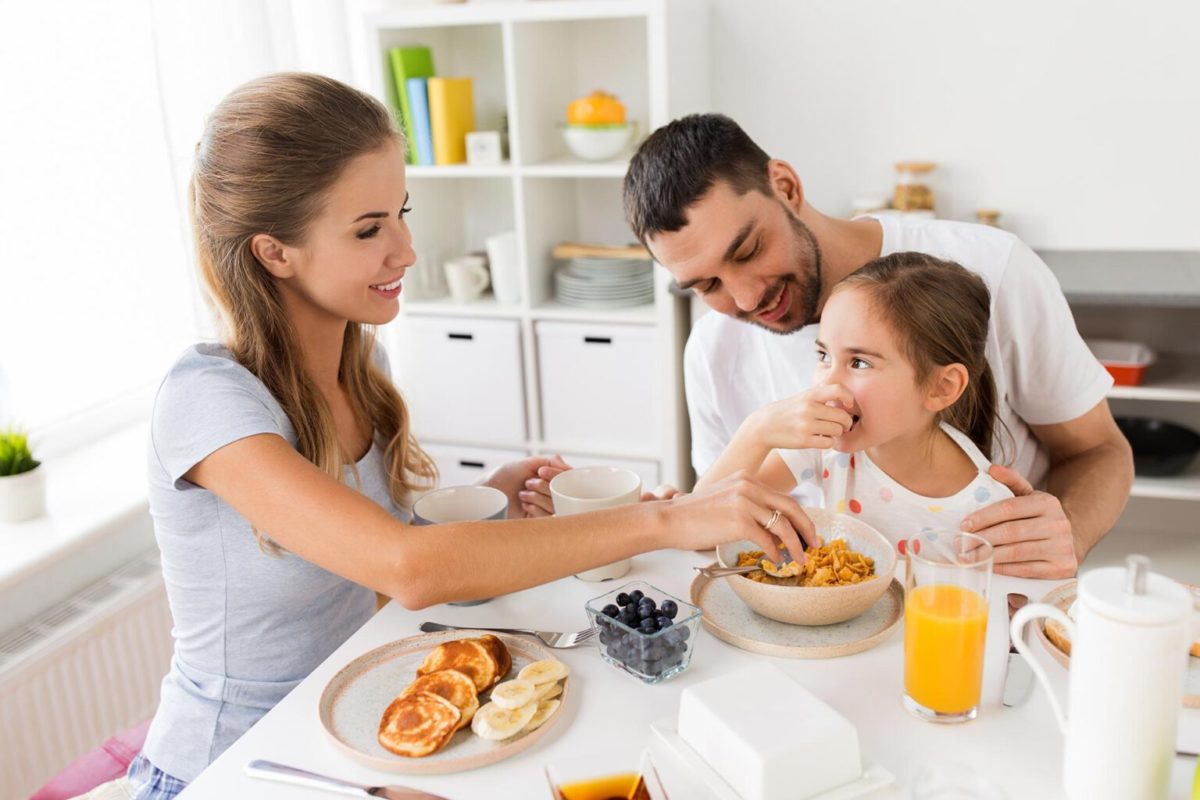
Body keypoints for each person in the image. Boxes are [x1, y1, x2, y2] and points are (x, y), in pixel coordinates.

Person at [126, 75, 813, 798]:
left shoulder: (361, 367)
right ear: (275, 253)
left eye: (401, 213)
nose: (406, 250)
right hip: (237, 764)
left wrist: (488, 502)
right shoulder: (208, 403)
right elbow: (407, 569)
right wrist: (664, 521)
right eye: (368, 230)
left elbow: (361, 549)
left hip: (356, 726)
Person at [623, 113, 1133, 579]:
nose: (747, 297)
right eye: (707, 286)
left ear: (786, 186)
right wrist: (679, 513)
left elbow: (1101, 450)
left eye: (750, 250)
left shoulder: (993, 269)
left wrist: (1067, 531)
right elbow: (718, 515)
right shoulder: (712, 351)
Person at [697, 251, 1015, 548]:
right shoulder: (821, 449)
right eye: (823, 355)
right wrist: (756, 431)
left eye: (859, 363)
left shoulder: (988, 509)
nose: (828, 383)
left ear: (941, 387)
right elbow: (702, 525)